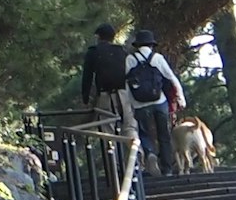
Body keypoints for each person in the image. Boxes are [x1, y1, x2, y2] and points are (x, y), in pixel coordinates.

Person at [126, 30, 186, 174]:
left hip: (140, 104)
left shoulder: (130, 59)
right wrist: (180, 97)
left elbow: (126, 83)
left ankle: (150, 153)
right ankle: (167, 169)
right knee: (164, 135)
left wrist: (130, 104)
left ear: (137, 44)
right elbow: (171, 78)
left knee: (144, 133)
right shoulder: (157, 58)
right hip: (160, 101)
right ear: (152, 44)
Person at [79, 22, 133, 136]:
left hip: (105, 94)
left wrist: (85, 98)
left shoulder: (93, 52)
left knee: (107, 128)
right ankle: (137, 151)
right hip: (123, 93)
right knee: (129, 126)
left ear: (98, 37)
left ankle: (111, 153)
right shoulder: (121, 51)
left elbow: (87, 77)